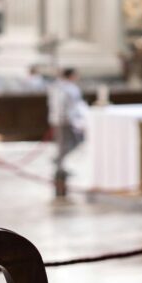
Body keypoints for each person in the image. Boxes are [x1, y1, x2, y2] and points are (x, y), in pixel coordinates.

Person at [47, 68, 88, 197]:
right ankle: (59, 164)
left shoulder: (60, 87)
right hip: (65, 120)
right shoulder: (64, 88)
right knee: (68, 142)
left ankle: (60, 163)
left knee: (68, 143)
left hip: (63, 119)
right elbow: (66, 105)